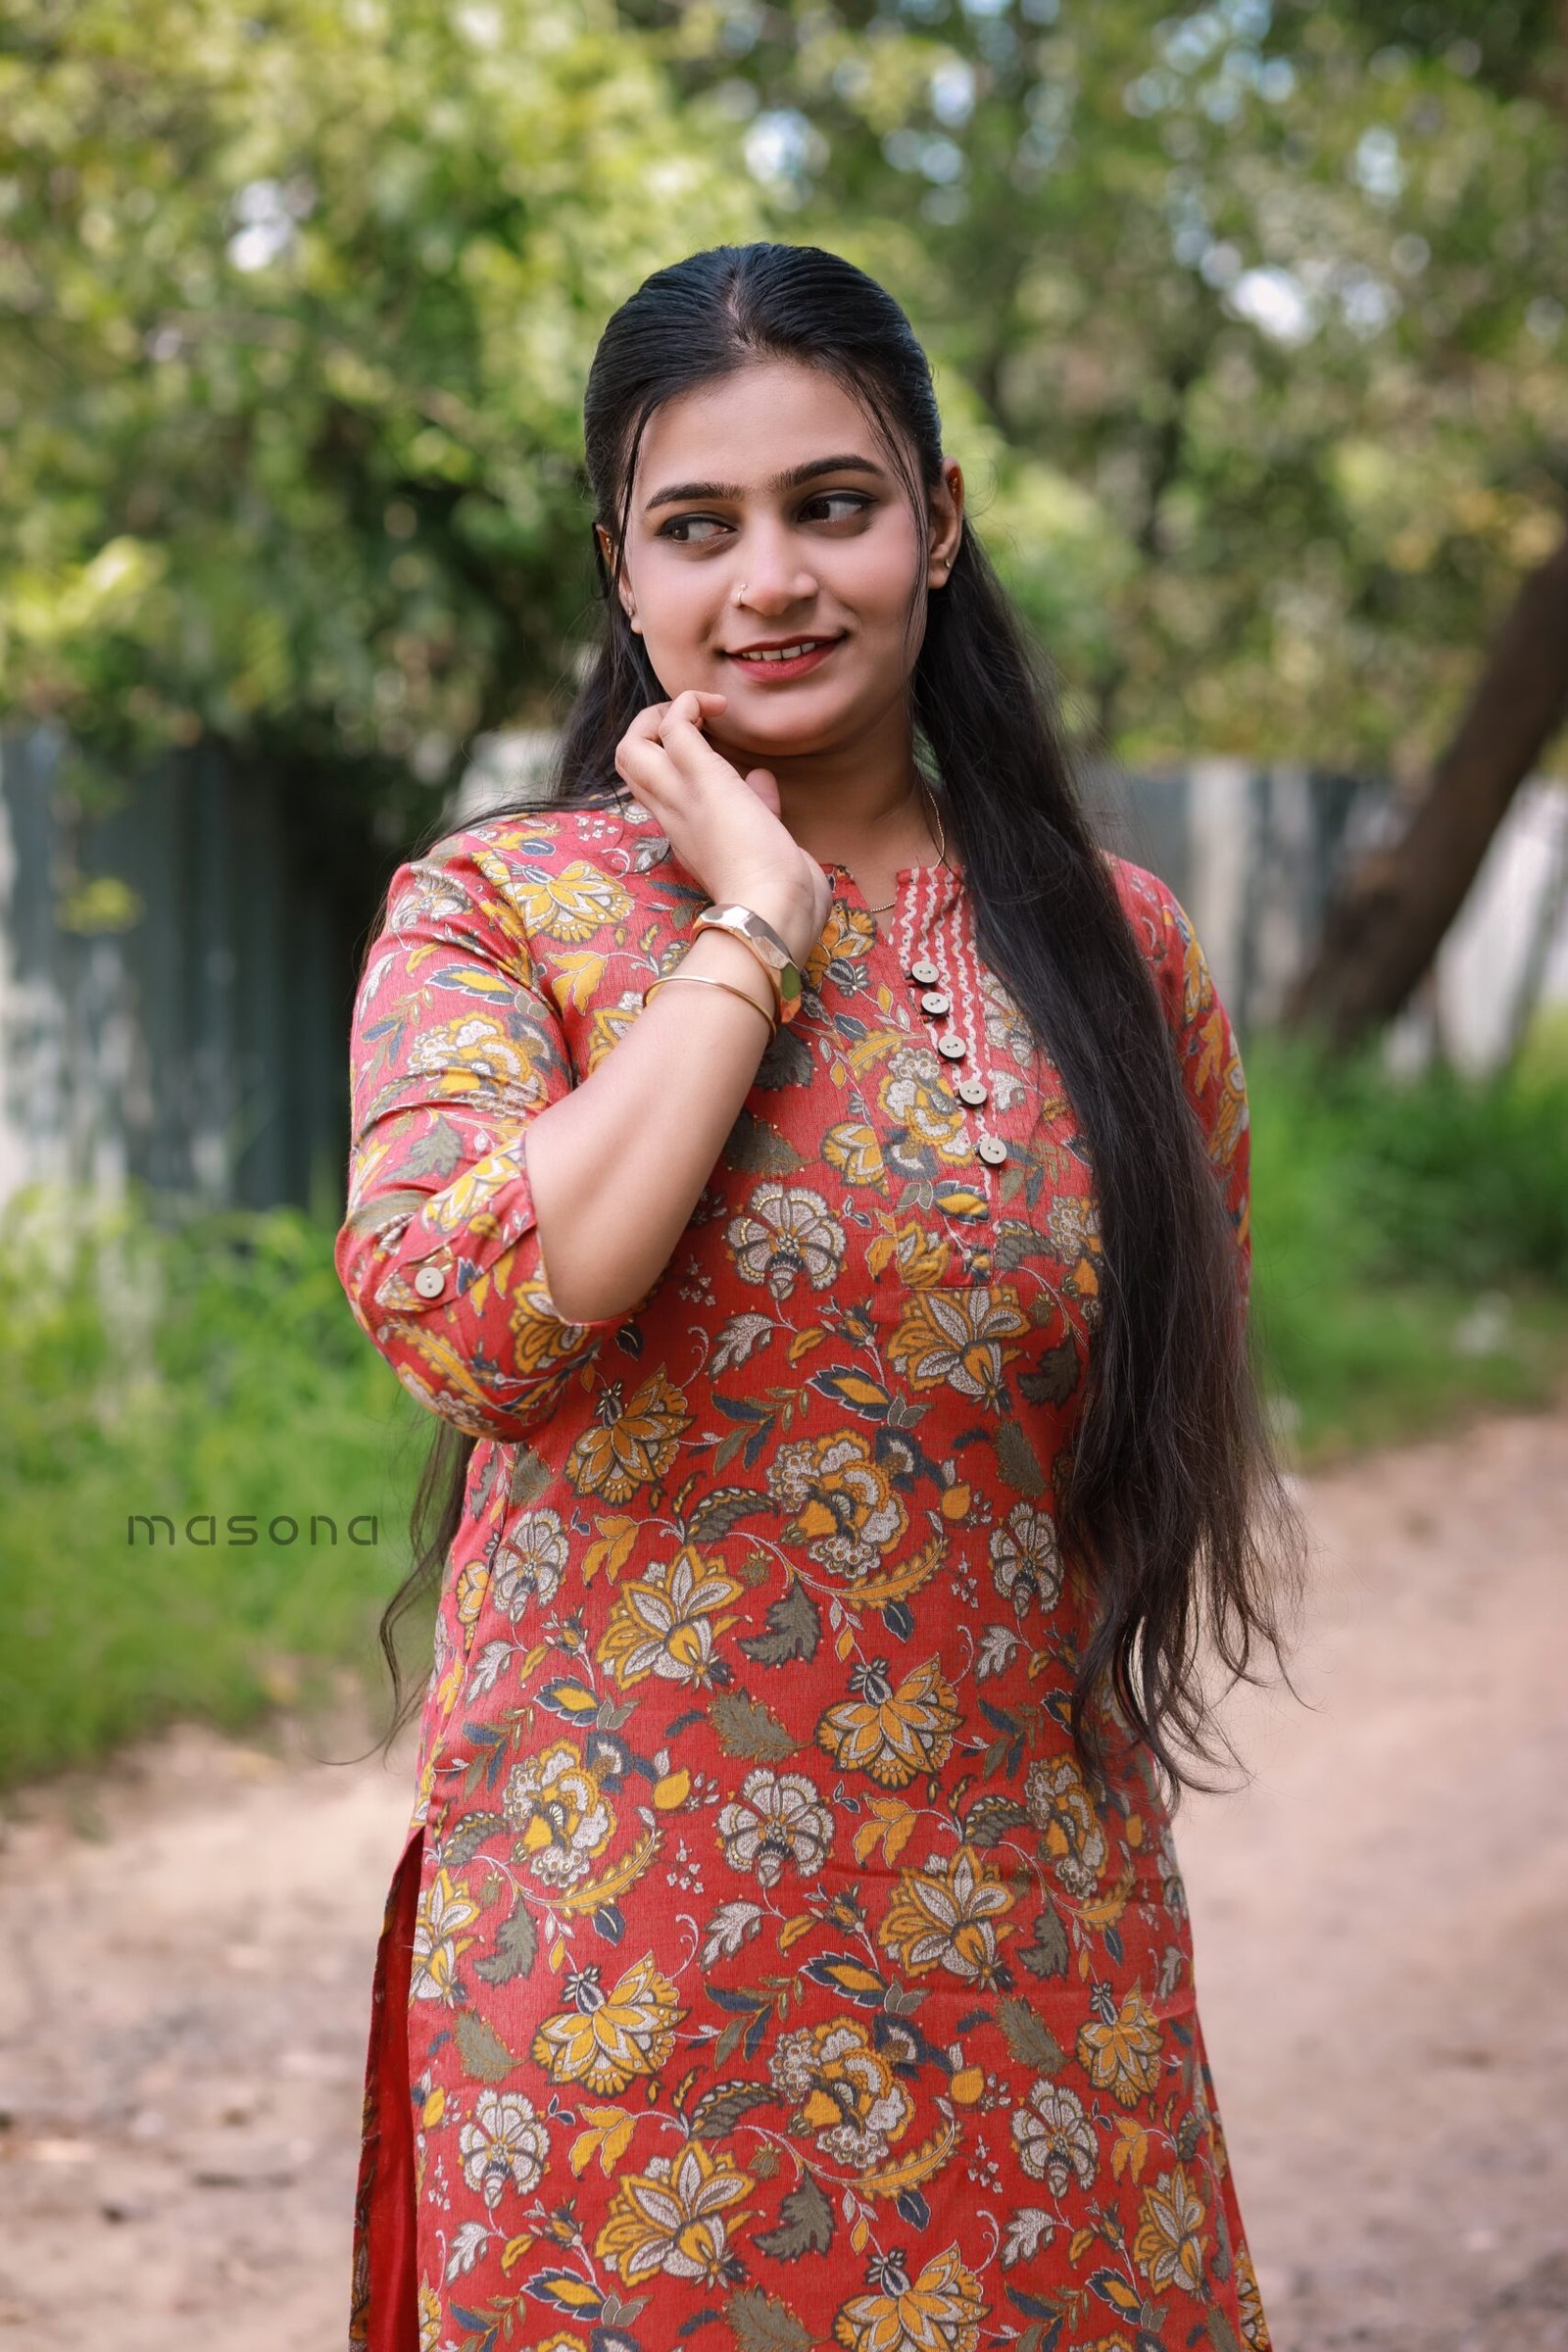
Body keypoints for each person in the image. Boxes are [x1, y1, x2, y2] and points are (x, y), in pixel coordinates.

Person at [333, 240, 1303, 2352]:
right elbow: (479, 1316)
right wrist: (756, 924)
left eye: (831, 505)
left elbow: (1150, 1408)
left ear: (935, 524)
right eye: (698, 526)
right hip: (630, 1985)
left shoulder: (1119, 951)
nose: (769, 579)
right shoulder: (500, 915)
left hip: (1034, 1952)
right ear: (621, 569)